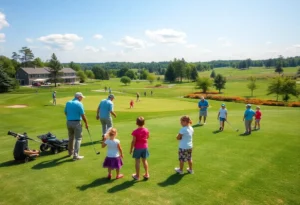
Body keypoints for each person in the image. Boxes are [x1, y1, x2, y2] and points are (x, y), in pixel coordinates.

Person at [64, 92, 88, 160]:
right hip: (77, 122)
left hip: (68, 122)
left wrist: (70, 118)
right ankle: (76, 155)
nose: (82, 99)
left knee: (71, 137)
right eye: (82, 97)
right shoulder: (79, 104)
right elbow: (83, 115)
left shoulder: (68, 102)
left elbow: (65, 112)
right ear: (79, 97)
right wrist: (86, 123)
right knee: (78, 138)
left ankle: (70, 152)